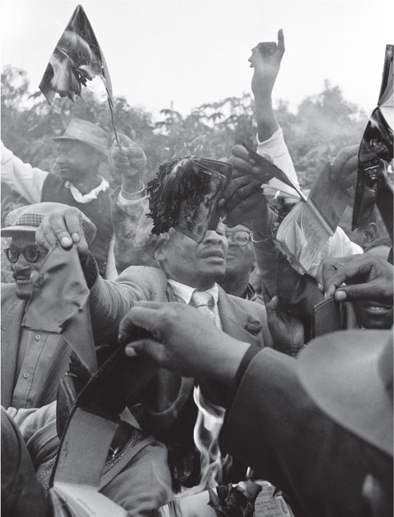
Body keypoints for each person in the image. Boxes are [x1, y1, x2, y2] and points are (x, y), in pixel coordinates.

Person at [32, 160, 273, 490]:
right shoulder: (145, 287)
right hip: (142, 487)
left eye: (220, 229)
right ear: (160, 248)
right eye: (198, 229)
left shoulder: (254, 318)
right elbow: (107, 306)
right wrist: (81, 261)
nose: (216, 238)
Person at [118, 260, 393, 517]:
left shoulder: (250, 317)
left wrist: (226, 357)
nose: (368, 486)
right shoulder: (145, 282)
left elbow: (327, 446)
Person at [1, 118, 147, 278]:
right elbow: (7, 164)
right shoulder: (46, 185)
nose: (58, 160)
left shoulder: (114, 204)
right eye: (59, 152)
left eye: (68, 152)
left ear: (94, 157)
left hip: (90, 296)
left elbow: (114, 272)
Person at [1, 202, 96, 409]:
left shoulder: (96, 324)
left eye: (33, 253)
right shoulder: (2, 302)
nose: (18, 265)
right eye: (14, 253)